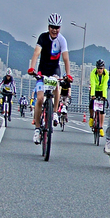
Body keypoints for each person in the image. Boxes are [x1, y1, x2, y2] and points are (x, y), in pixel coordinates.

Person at [27, 14, 71, 144]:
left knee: (57, 85)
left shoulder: (62, 40)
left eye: (57, 27)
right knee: (40, 98)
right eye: (52, 27)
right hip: (42, 70)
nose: (54, 30)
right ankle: (37, 129)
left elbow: (66, 58)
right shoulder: (42, 37)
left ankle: (55, 112)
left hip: (54, 70)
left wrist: (68, 74)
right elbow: (36, 53)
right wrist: (32, 68)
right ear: (48, 27)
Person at [89, 60, 110, 139]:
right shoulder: (93, 72)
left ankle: (101, 127)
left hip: (102, 91)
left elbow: (105, 85)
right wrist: (92, 95)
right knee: (91, 104)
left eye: (101, 68)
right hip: (94, 90)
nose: (99, 70)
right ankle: (91, 117)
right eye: (98, 68)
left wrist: (104, 96)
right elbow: (93, 84)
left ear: (103, 68)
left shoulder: (106, 73)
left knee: (102, 110)